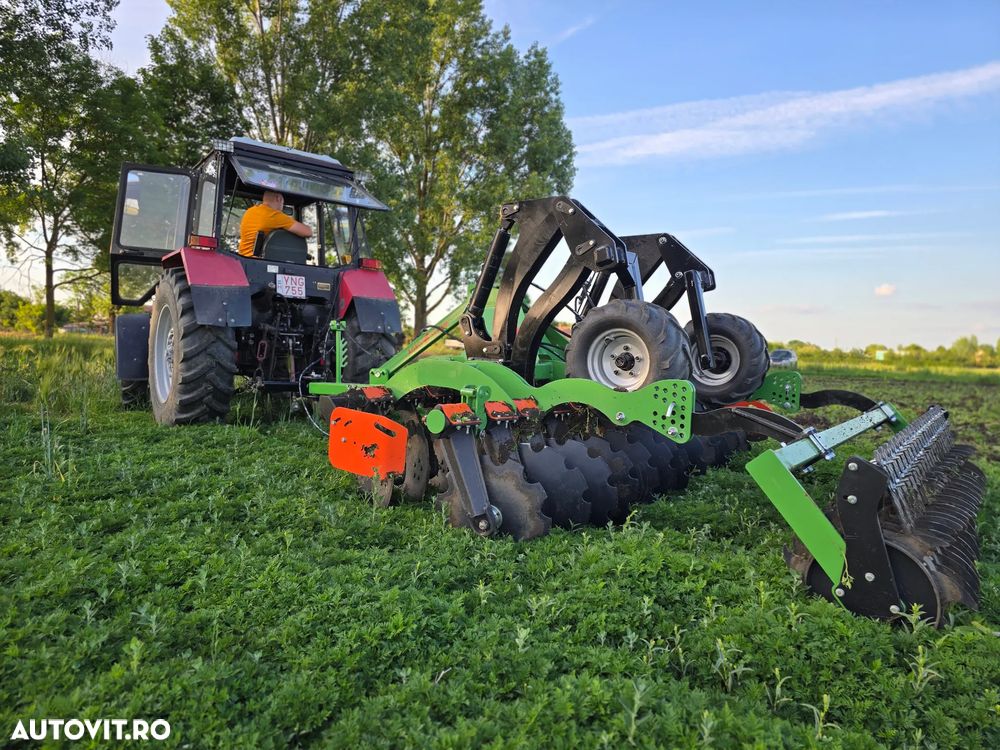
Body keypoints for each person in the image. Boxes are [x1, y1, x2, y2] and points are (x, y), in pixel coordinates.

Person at [238, 190, 312, 256]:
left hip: (243, 260)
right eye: (283, 203)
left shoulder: (249, 211)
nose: (282, 206)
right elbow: (308, 232)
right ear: (278, 199)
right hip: (258, 262)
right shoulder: (273, 215)